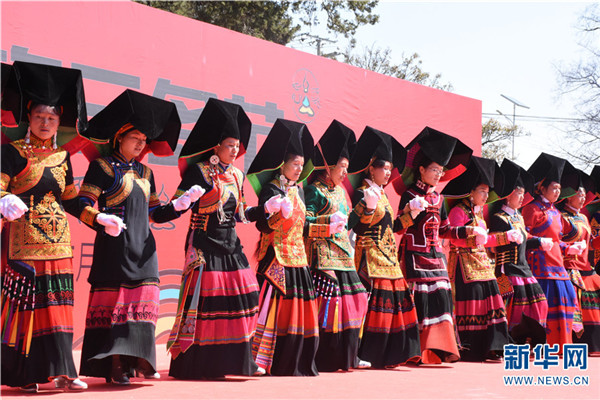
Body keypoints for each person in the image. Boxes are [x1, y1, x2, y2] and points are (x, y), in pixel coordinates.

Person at [75, 90, 197, 385]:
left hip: (144, 247)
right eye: (136, 138)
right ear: (119, 138)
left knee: (144, 299)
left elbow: (155, 212)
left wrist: (178, 207)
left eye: (144, 140)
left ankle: (140, 359)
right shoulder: (102, 167)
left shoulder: (145, 171)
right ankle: (116, 364)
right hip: (114, 247)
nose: (142, 144)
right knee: (115, 304)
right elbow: (81, 204)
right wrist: (100, 218)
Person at [0, 61, 89, 392]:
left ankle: (65, 372)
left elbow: (71, 199)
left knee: (59, 308)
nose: (45, 123)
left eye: (52, 119)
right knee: (28, 308)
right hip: (23, 242)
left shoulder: (63, 157)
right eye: (39, 117)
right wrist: (3, 200)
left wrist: (97, 217)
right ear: (29, 118)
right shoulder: (10, 153)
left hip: (60, 244)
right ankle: (26, 376)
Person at [168, 98, 262, 379]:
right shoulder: (200, 171)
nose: (234, 151)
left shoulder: (236, 174)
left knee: (244, 298)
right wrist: (185, 200)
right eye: (229, 145)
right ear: (216, 147)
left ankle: (236, 360)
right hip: (204, 243)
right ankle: (200, 363)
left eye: (237, 146)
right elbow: (176, 204)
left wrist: (264, 211)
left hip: (231, 244)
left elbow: (242, 214)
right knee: (207, 303)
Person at [393, 127, 473, 364]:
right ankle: (417, 350)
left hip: (437, 257)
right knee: (421, 300)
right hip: (414, 256)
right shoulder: (409, 195)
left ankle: (439, 349)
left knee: (442, 297)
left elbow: (446, 230)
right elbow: (398, 227)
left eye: (441, 171)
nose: (438, 175)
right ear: (421, 169)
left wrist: (468, 231)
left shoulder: (439, 198)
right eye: (434, 170)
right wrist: (410, 212)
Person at [247, 118, 319, 376]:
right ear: (282, 165)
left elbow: (305, 227)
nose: (299, 169)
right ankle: (263, 360)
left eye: (301, 165)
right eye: (294, 164)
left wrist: (329, 226)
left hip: (299, 259)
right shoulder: (271, 189)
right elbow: (264, 227)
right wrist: (277, 214)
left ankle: (295, 361)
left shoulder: (299, 191)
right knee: (272, 309)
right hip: (275, 258)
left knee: (299, 312)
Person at [347, 126, 421, 368]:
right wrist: (367, 207)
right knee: (375, 306)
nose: (388, 173)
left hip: (388, 257)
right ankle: (369, 353)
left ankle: (393, 354)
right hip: (369, 256)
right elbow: (357, 226)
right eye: (384, 168)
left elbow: (394, 227)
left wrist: (411, 214)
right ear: (372, 168)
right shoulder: (362, 192)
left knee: (398, 303)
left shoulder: (385, 195)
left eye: (391, 169)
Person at [303, 120, 369, 372]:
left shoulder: (342, 192)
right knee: (332, 302)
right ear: (328, 166)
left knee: (357, 298)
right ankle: (326, 357)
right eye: (341, 167)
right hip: (321, 255)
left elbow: (348, 223)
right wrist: (325, 222)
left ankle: (351, 355)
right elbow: (305, 222)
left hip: (343, 254)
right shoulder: (313, 191)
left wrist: (365, 207)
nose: (344, 173)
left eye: (347, 168)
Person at [443, 156, 511, 361]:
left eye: (486, 191)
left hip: (482, 265)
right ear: (470, 192)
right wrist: (471, 234)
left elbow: (485, 241)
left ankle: (495, 346)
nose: (485, 194)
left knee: (493, 301)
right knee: (473, 303)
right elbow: (453, 237)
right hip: (464, 266)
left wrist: (506, 237)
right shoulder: (458, 210)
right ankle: (471, 346)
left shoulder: (479, 214)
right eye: (482, 190)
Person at [522, 153, 579, 351]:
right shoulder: (531, 209)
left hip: (559, 267)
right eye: (553, 188)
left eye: (559, 189)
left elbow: (557, 241)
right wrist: (538, 241)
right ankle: (541, 345)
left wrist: (569, 247)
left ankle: (562, 345)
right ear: (541, 188)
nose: (557, 192)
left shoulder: (556, 212)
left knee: (567, 300)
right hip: (540, 268)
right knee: (543, 308)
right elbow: (523, 237)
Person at [488, 159, 549, 341]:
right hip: (507, 269)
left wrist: (539, 241)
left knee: (540, 302)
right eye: (519, 194)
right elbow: (492, 247)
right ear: (508, 196)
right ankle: (511, 340)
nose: (522, 198)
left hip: (524, 268)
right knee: (516, 305)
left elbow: (525, 240)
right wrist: (507, 238)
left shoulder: (519, 218)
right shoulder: (499, 218)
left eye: (523, 194)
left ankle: (533, 338)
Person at [559, 173, 600, 355]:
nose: (583, 198)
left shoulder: (583, 218)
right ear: (569, 196)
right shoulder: (561, 217)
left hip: (586, 267)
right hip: (570, 268)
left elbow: (591, 244)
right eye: (579, 194)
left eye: (584, 195)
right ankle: (583, 343)